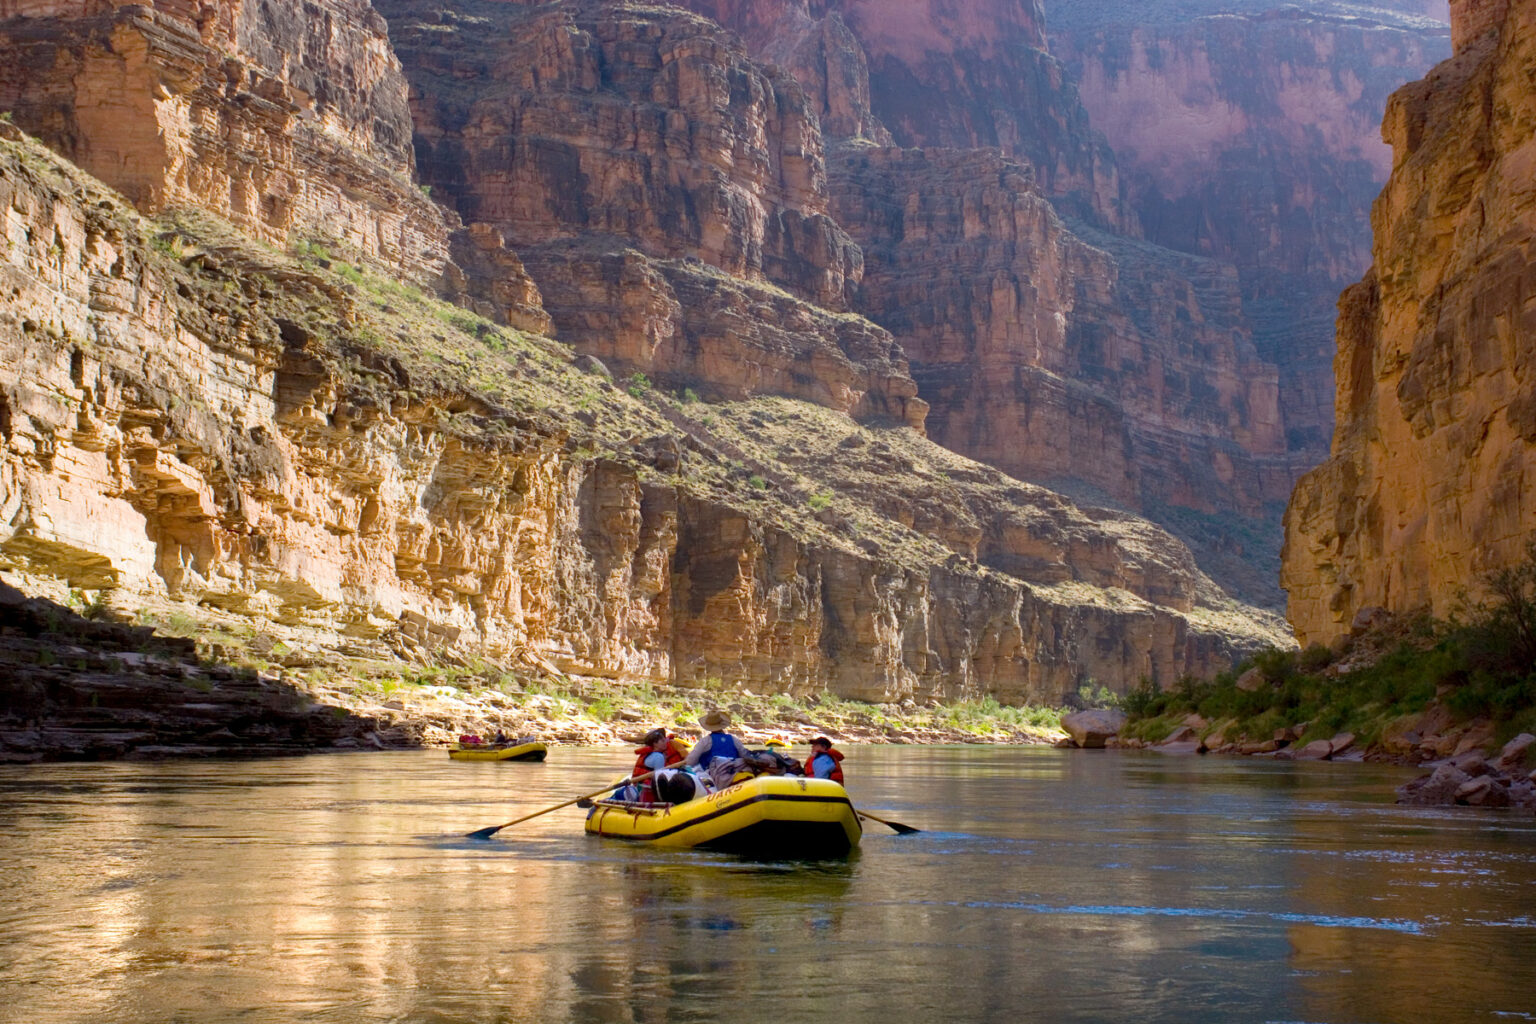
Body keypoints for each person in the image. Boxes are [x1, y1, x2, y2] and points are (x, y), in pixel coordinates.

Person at [684, 710, 757, 789]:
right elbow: (745, 755)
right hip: (734, 771)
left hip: (715, 776)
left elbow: (690, 761)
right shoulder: (734, 739)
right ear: (722, 724)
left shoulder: (705, 741)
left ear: (709, 726)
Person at [628, 727, 689, 802]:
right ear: (655, 744)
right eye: (663, 741)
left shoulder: (655, 754)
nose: (665, 742)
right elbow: (659, 779)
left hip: (643, 785)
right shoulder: (658, 757)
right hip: (646, 788)